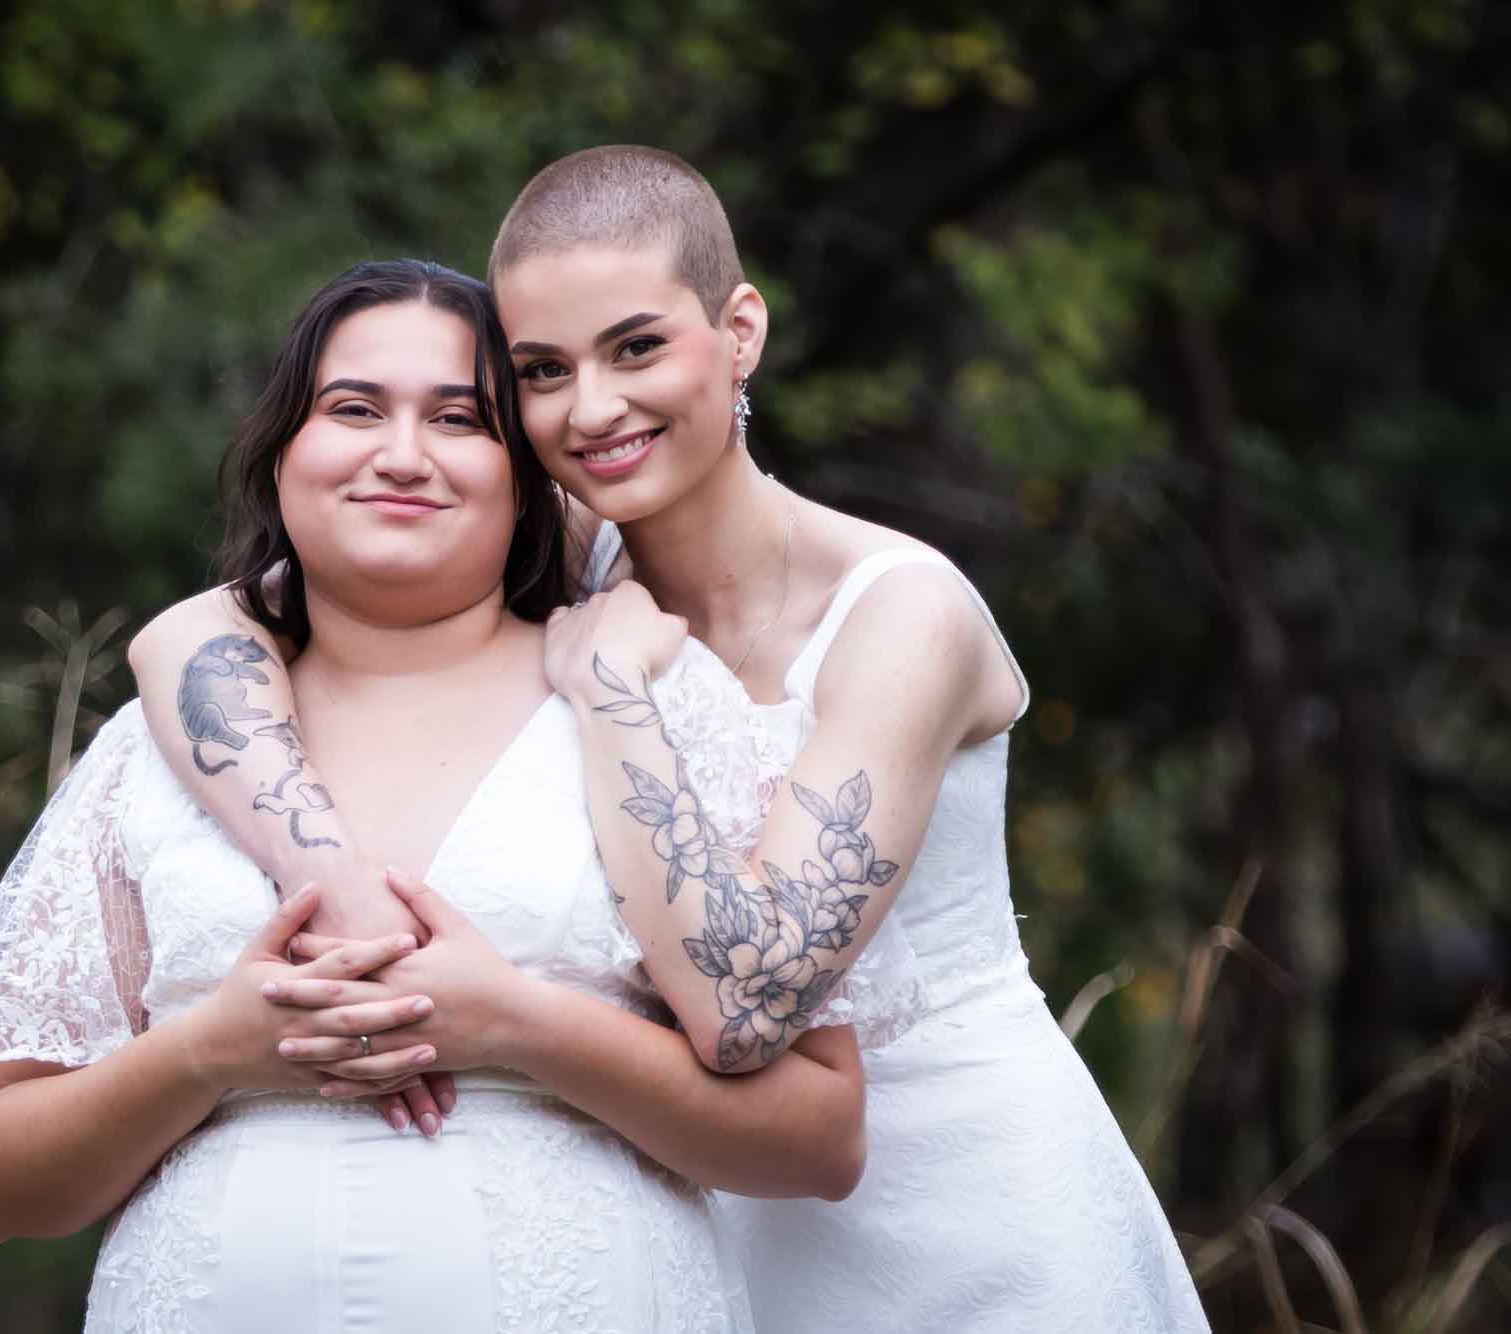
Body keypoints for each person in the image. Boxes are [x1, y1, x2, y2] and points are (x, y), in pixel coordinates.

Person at [128, 149, 1211, 1331]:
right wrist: (332, 883)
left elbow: (743, 1012)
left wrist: (612, 696)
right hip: (692, 1202)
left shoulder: (901, 615)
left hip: (963, 1218)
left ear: (738, 328)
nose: (591, 410)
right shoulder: (564, 545)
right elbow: (193, 638)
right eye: (542, 370)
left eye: (635, 347)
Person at [0, 258, 867, 1333]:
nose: (401, 455)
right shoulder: (157, 737)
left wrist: (520, 1026)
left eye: (459, 418)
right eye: (353, 407)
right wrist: (207, 1051)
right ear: (282, 450)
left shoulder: (655, 698)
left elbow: (819, 1137)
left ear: (525, 478)